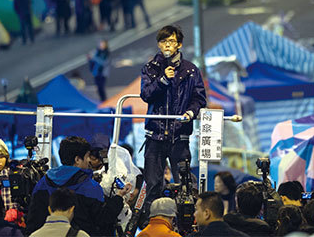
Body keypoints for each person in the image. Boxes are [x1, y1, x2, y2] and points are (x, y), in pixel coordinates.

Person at [140, 25, 207, 206]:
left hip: (180, 135)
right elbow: (146, 95)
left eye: (171, 41)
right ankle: (151, 223)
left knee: (185, 185)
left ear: (179, 44)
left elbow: (199, 98)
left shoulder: (191, 70)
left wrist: (191, 112)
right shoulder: (151, 68)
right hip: (155, 135)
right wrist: (162, 80)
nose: (167, 45)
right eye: (163, 41)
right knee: (153, 185)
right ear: (159, 45)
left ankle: (186, 225)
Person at [26, 136, 129, 236]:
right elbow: (103, 219)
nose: (89, 160)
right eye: (87, 156)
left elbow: (33, 220)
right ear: (77, 160)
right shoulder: (90, 186)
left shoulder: (43, 182)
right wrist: (119, 197)